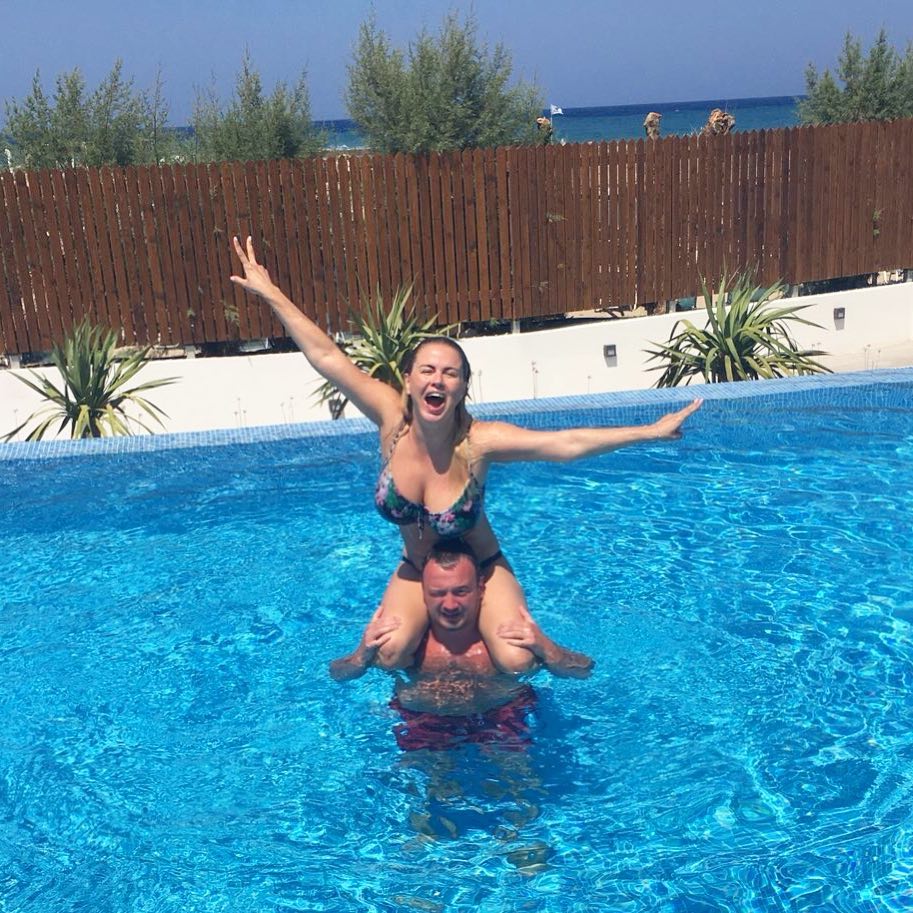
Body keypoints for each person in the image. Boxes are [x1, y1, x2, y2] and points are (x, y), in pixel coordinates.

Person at [230, 235, 702, 673]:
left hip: (482, 567)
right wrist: (271, 293)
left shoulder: (478, 442)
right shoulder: (390, 418)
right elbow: (329, 358)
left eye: (450, 374)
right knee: (389, 654)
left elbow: (563, 444)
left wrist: (649, 432)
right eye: (427, 370)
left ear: (462, 387)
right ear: (409, 380)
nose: (437, 380)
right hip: (418, 569)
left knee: (517, 659)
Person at [329, 539, 593, 751]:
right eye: (438, 593)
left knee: (521, 791)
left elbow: (585, 670)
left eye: (461, 591)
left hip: (502, 716)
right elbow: (337, 674)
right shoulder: (409, 647)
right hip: (424, 720)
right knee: (421, 794)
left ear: (480, 588)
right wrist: (361, 655)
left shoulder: (505, 643)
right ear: (423, 593)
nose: (450, 604)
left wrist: (547, 649)